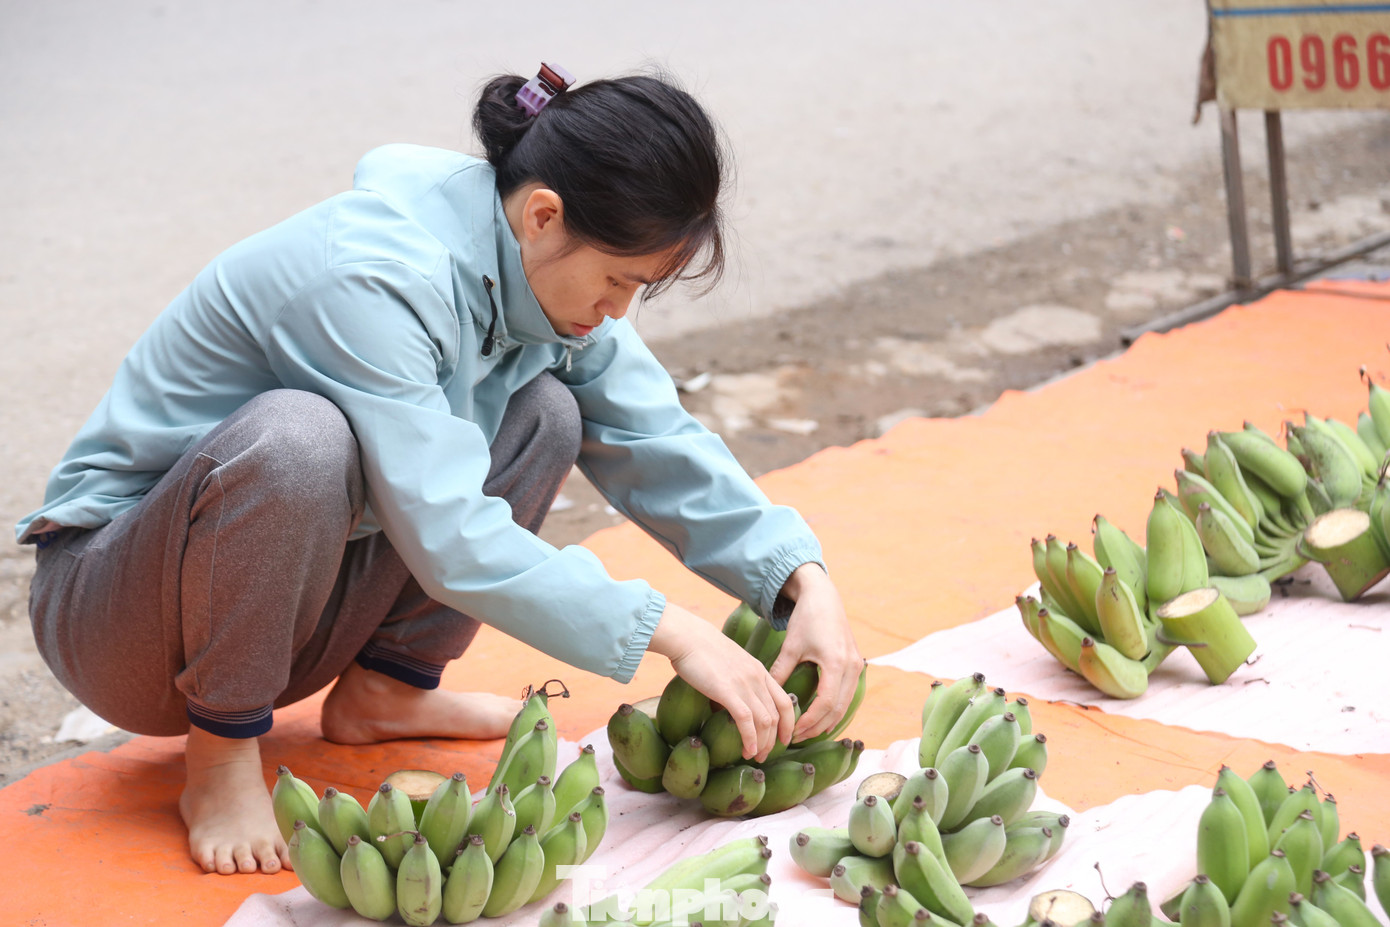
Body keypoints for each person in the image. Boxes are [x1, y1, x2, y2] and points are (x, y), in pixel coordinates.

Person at [17, 64, 862, 877]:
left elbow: (655, 436)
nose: (617, 311)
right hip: (118, 615)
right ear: (543, 215)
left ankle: (385, 689)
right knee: (299, 439)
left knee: (546, 410)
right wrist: (671, 631)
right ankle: (222, 755)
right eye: (616, 280)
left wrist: (799, 579)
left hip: (280, 612)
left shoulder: (536, 266)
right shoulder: (376, 275)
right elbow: (452, 537)